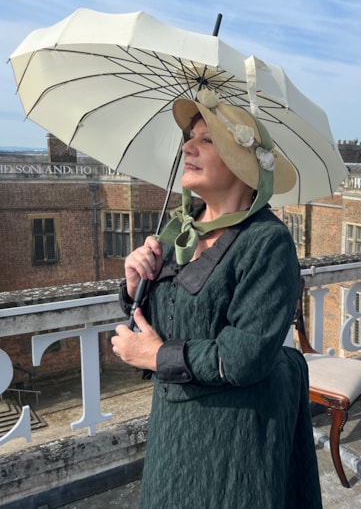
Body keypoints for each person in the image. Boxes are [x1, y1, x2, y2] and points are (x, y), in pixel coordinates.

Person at [111, 89, 322, 509]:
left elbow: (244, 356)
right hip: (175, 422)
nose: (188, 146)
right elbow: (161, 320)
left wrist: (156, 356)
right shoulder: (180, 230)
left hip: (237, 428)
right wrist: (136, 285)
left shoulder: (267, 242)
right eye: (190, 137)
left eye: (207, 139)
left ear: (243, 164)